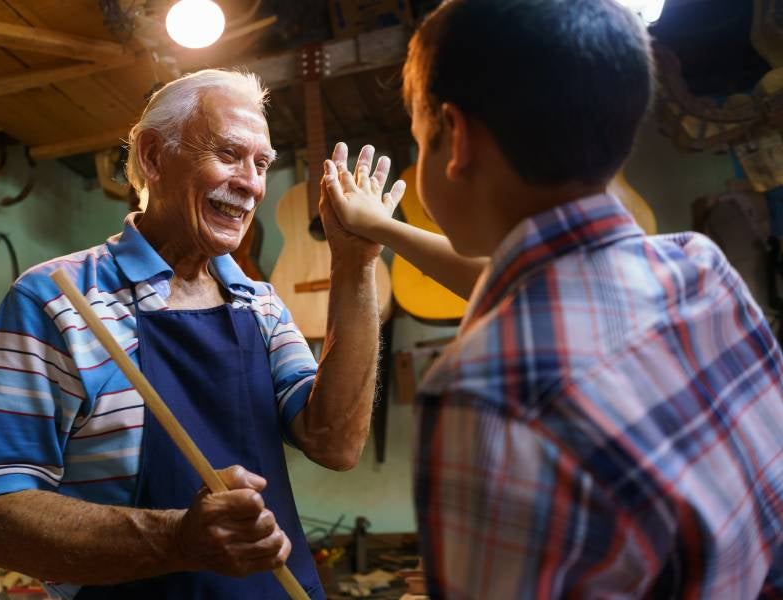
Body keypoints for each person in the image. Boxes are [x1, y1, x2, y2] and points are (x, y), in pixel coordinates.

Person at [322, 0, 783, 597]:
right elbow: (534, 283)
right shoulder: (698, 267)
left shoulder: (482, 390)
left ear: (455, 138)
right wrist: (379, 229)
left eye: (416, 142)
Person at [0, 69, 402, 599]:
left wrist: (356, 263)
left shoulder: (261, 305)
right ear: (153, 156)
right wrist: (177, 541)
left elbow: (335, 442)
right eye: (230, 154)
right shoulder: (56, 301)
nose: (252, 183)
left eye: (261, 165)